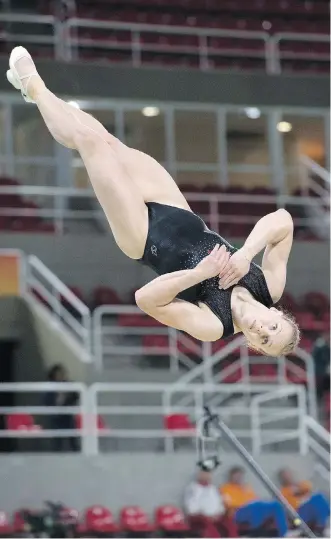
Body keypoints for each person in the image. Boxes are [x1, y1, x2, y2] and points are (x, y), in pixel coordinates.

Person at [6, 46, 300, 356]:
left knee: (90, 144)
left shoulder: (214, 325)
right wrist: (246, 254)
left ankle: (35, 86)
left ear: (253, 346)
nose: (263, 330)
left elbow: (145, 299)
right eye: (273, 328)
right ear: (277, 313)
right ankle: (36, 93)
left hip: (144, 237)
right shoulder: (268, 286)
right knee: (107, 140)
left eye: (264, 340)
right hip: (178, 210)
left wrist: (199, 275)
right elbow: (282, 220)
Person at [220, 466, 289, 537]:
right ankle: (256, 532)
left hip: (253, 508)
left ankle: (284, 534)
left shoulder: (246, 487)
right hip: (237, 512)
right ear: (231, 476)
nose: (238, 478)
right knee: (255, 508)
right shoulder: (225, 488)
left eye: (240, 476)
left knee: (276, 505)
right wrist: (247, 504)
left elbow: (255, 499)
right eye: (236, 476)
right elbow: (228, 505)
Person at [184, 465, 238, 537]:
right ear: (199, 475)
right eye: (203, 473)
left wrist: (218, 514)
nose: (206, 476)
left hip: (216, 517)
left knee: (229, 523)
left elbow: (220, 504)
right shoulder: (192, 488)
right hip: (200, 518)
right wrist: (206, 515)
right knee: (208, 525)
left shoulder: (213, 488)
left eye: (208, 474)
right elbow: (190, 507)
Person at [279, 468, 330, 536]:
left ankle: (320, 526)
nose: (288, 477)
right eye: (285, 476)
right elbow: (292, 507)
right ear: (282, 479)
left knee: (319, 499)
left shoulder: (299, 485)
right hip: (297, 519)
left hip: (310, 512)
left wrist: (298, 489)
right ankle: (320, 526)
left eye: (288, 475)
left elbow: (308, 486)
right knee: (318, 499)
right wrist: (300, 495)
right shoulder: (284, 491)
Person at [43, 364, 79, 452]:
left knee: (73, 441)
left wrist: (66, 394)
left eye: (63, 373)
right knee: (57, 443)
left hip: (68, 417)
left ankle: (76, 453)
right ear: (54, 375)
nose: (62, 376)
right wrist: (58, 399)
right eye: (59, 374)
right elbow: (47, 402)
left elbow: (76, 396)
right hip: (55, 418)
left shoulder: (69, 385)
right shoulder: (49, 388)